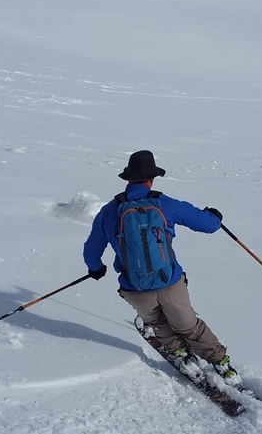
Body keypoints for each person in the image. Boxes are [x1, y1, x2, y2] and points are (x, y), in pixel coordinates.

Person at [83, 150, 240, 384]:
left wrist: (95, 268)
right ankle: (221, 364)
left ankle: (180, 355)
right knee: (189, 325)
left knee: (157, 322)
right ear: (151, 179)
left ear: (128, 179)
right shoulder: (163, 203)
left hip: (134, 287)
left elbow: (92, 249)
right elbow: (209, 225)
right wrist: (214, 216)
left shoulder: (110, 210)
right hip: (170, 282)